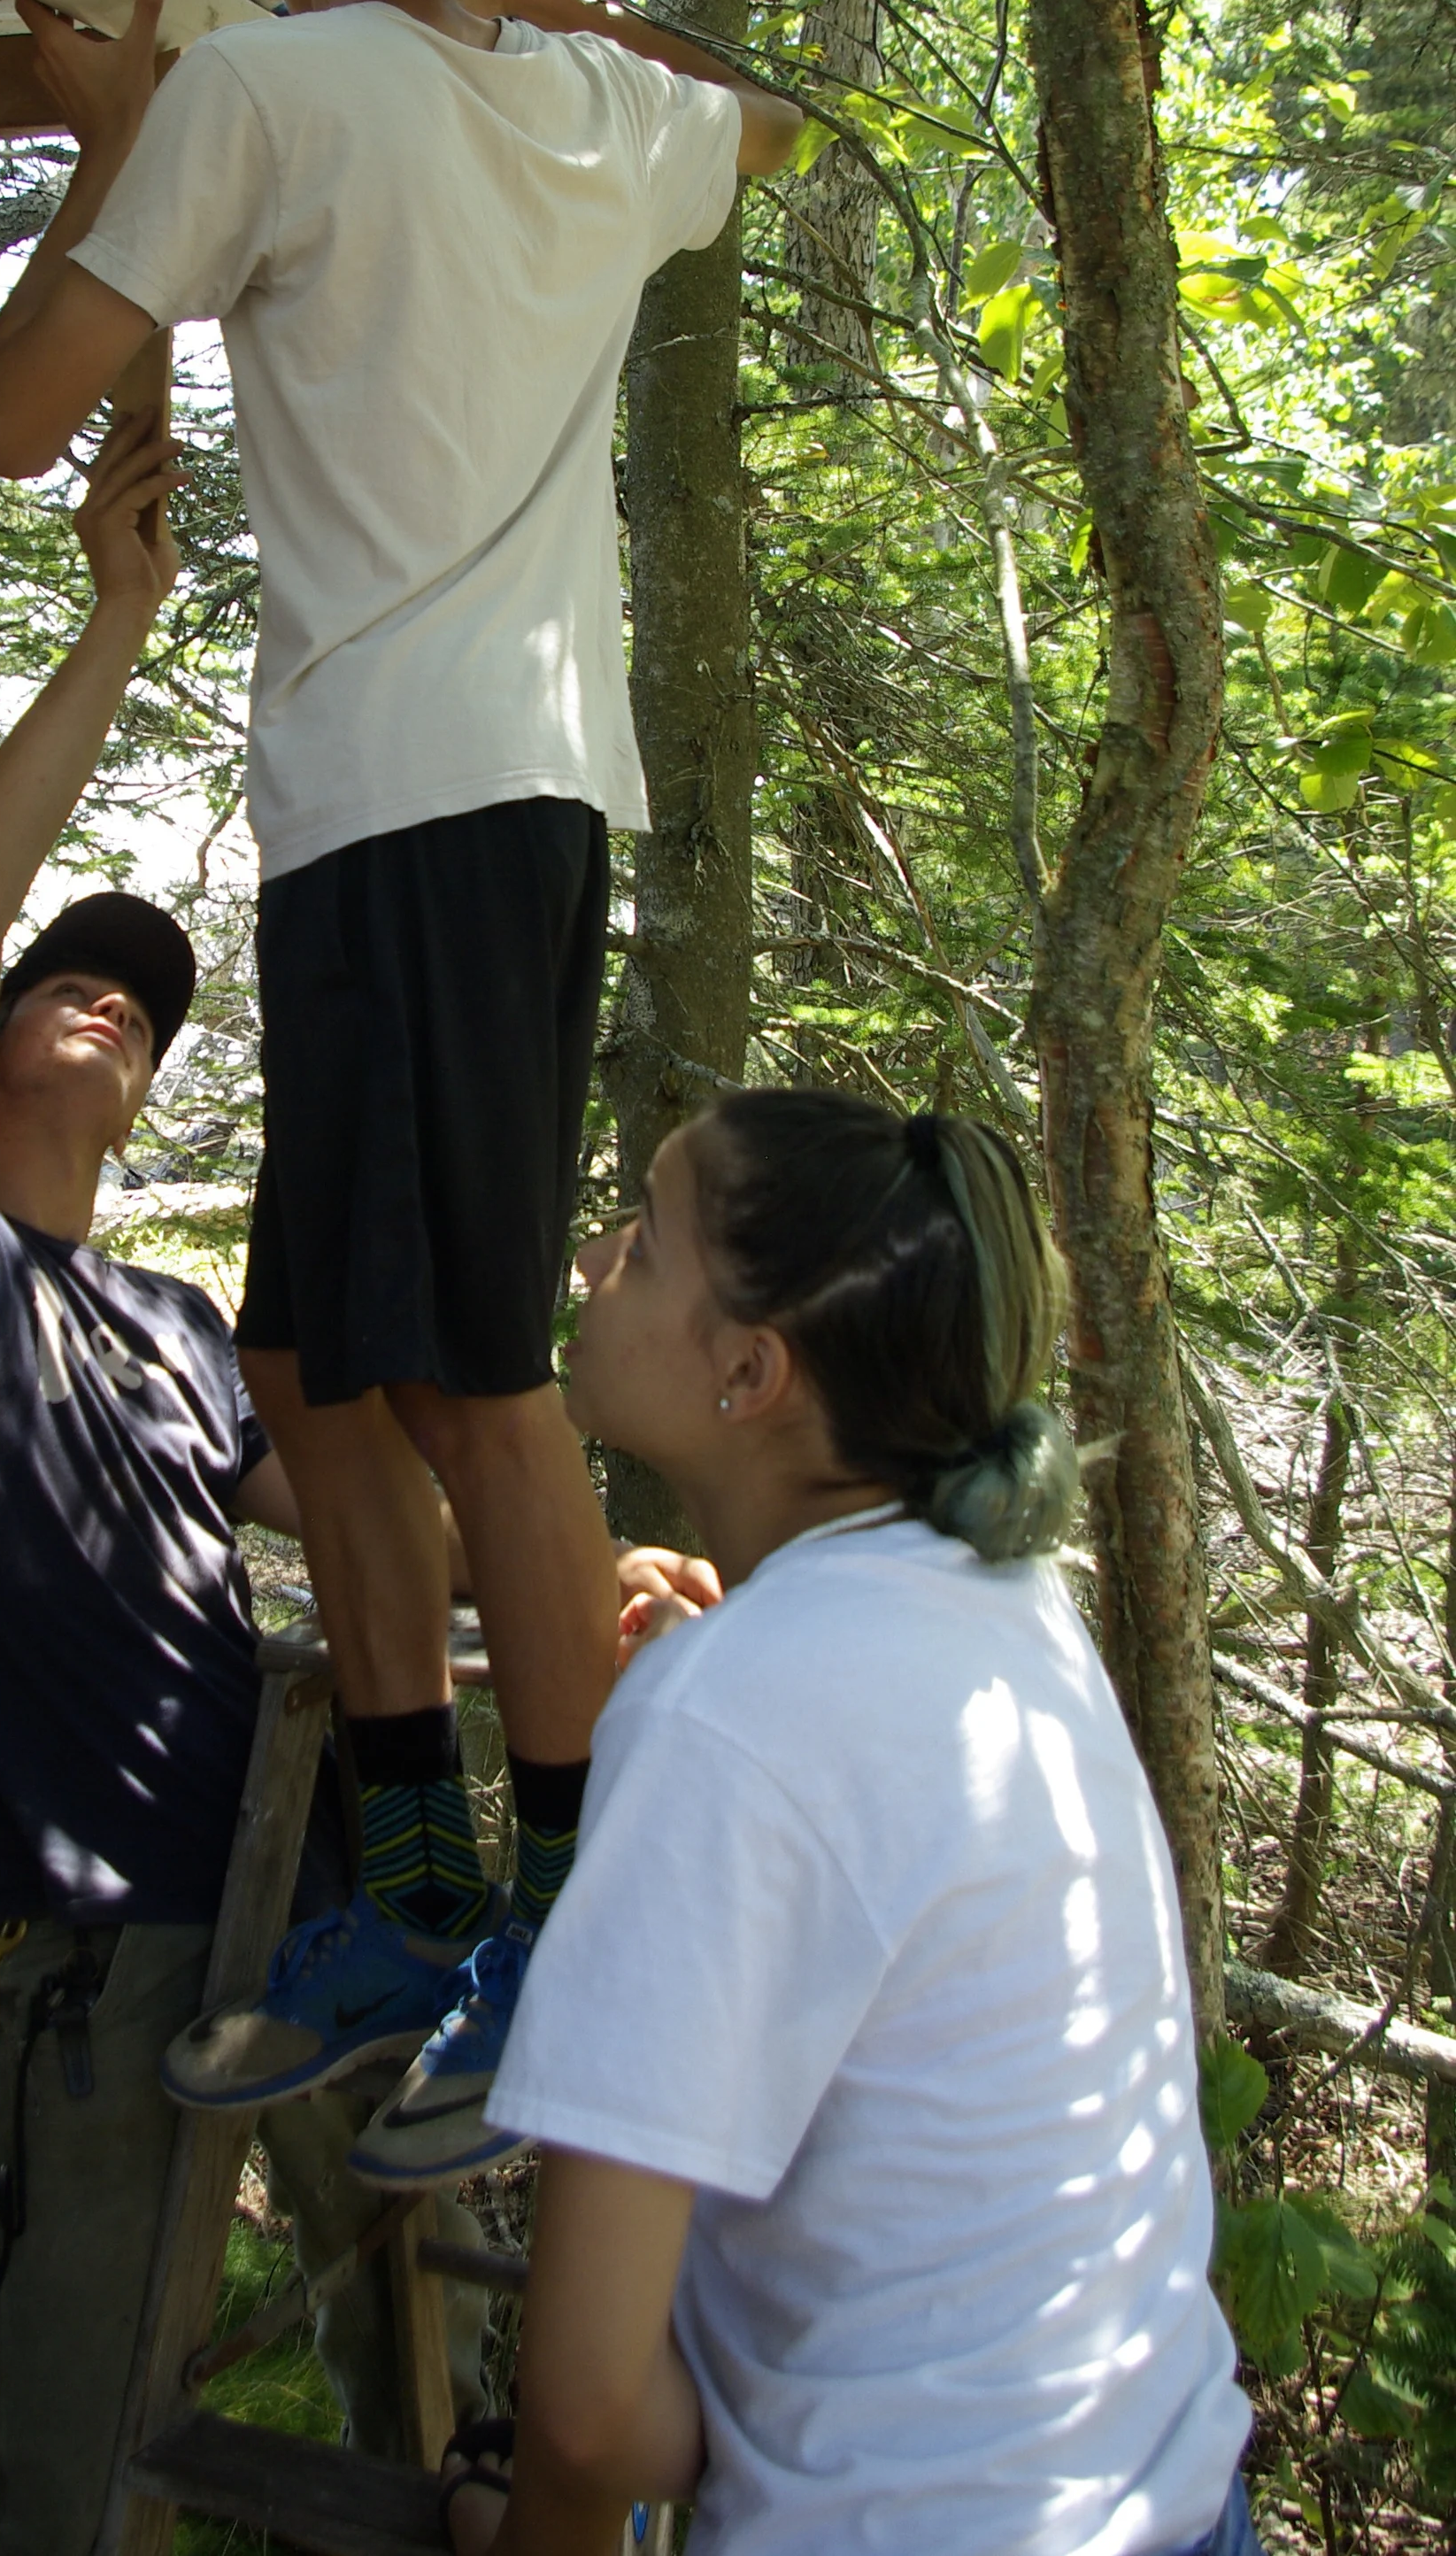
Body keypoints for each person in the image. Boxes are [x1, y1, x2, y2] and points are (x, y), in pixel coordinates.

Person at [0, 0, 802, 2186]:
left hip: (419, 801)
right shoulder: (585, 112)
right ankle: (419, 1899)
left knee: (466, 1386)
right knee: (318, 1373)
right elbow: (758, 115)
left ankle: (564, 1941)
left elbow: (17, 411)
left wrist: (119, 126)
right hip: (453, 808)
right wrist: (517, 15)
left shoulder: (271, 86)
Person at [0, 414, 709, 2551]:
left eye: (149, 993)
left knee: (409, 2418)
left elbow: (385, 1515)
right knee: (36, 2473)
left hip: (320, 1915)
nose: (113, 985)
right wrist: (122, 613)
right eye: (69, 974)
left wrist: (585, 1592)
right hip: (116, 1958)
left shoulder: (189, 1330)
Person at [448, 1087, 1259, 2556]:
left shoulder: (730, 1714)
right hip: (1173, 2497)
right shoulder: (1004, 1607)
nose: (591, 1259)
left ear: (749, 1372)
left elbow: (578, 2413)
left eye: (642, 1242)